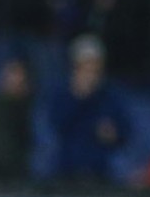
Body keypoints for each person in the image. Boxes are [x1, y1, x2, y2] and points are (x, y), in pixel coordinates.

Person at [47, 33, 131, 182]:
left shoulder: (110, 96)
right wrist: (78, 97)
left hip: (99, 173)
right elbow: (57, 124)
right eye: (86, 66)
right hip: (67, 172)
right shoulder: (62, 93)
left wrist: (114, 134)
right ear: (76, 67)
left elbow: (125, 131)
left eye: (95, 67)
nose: (91, 73)